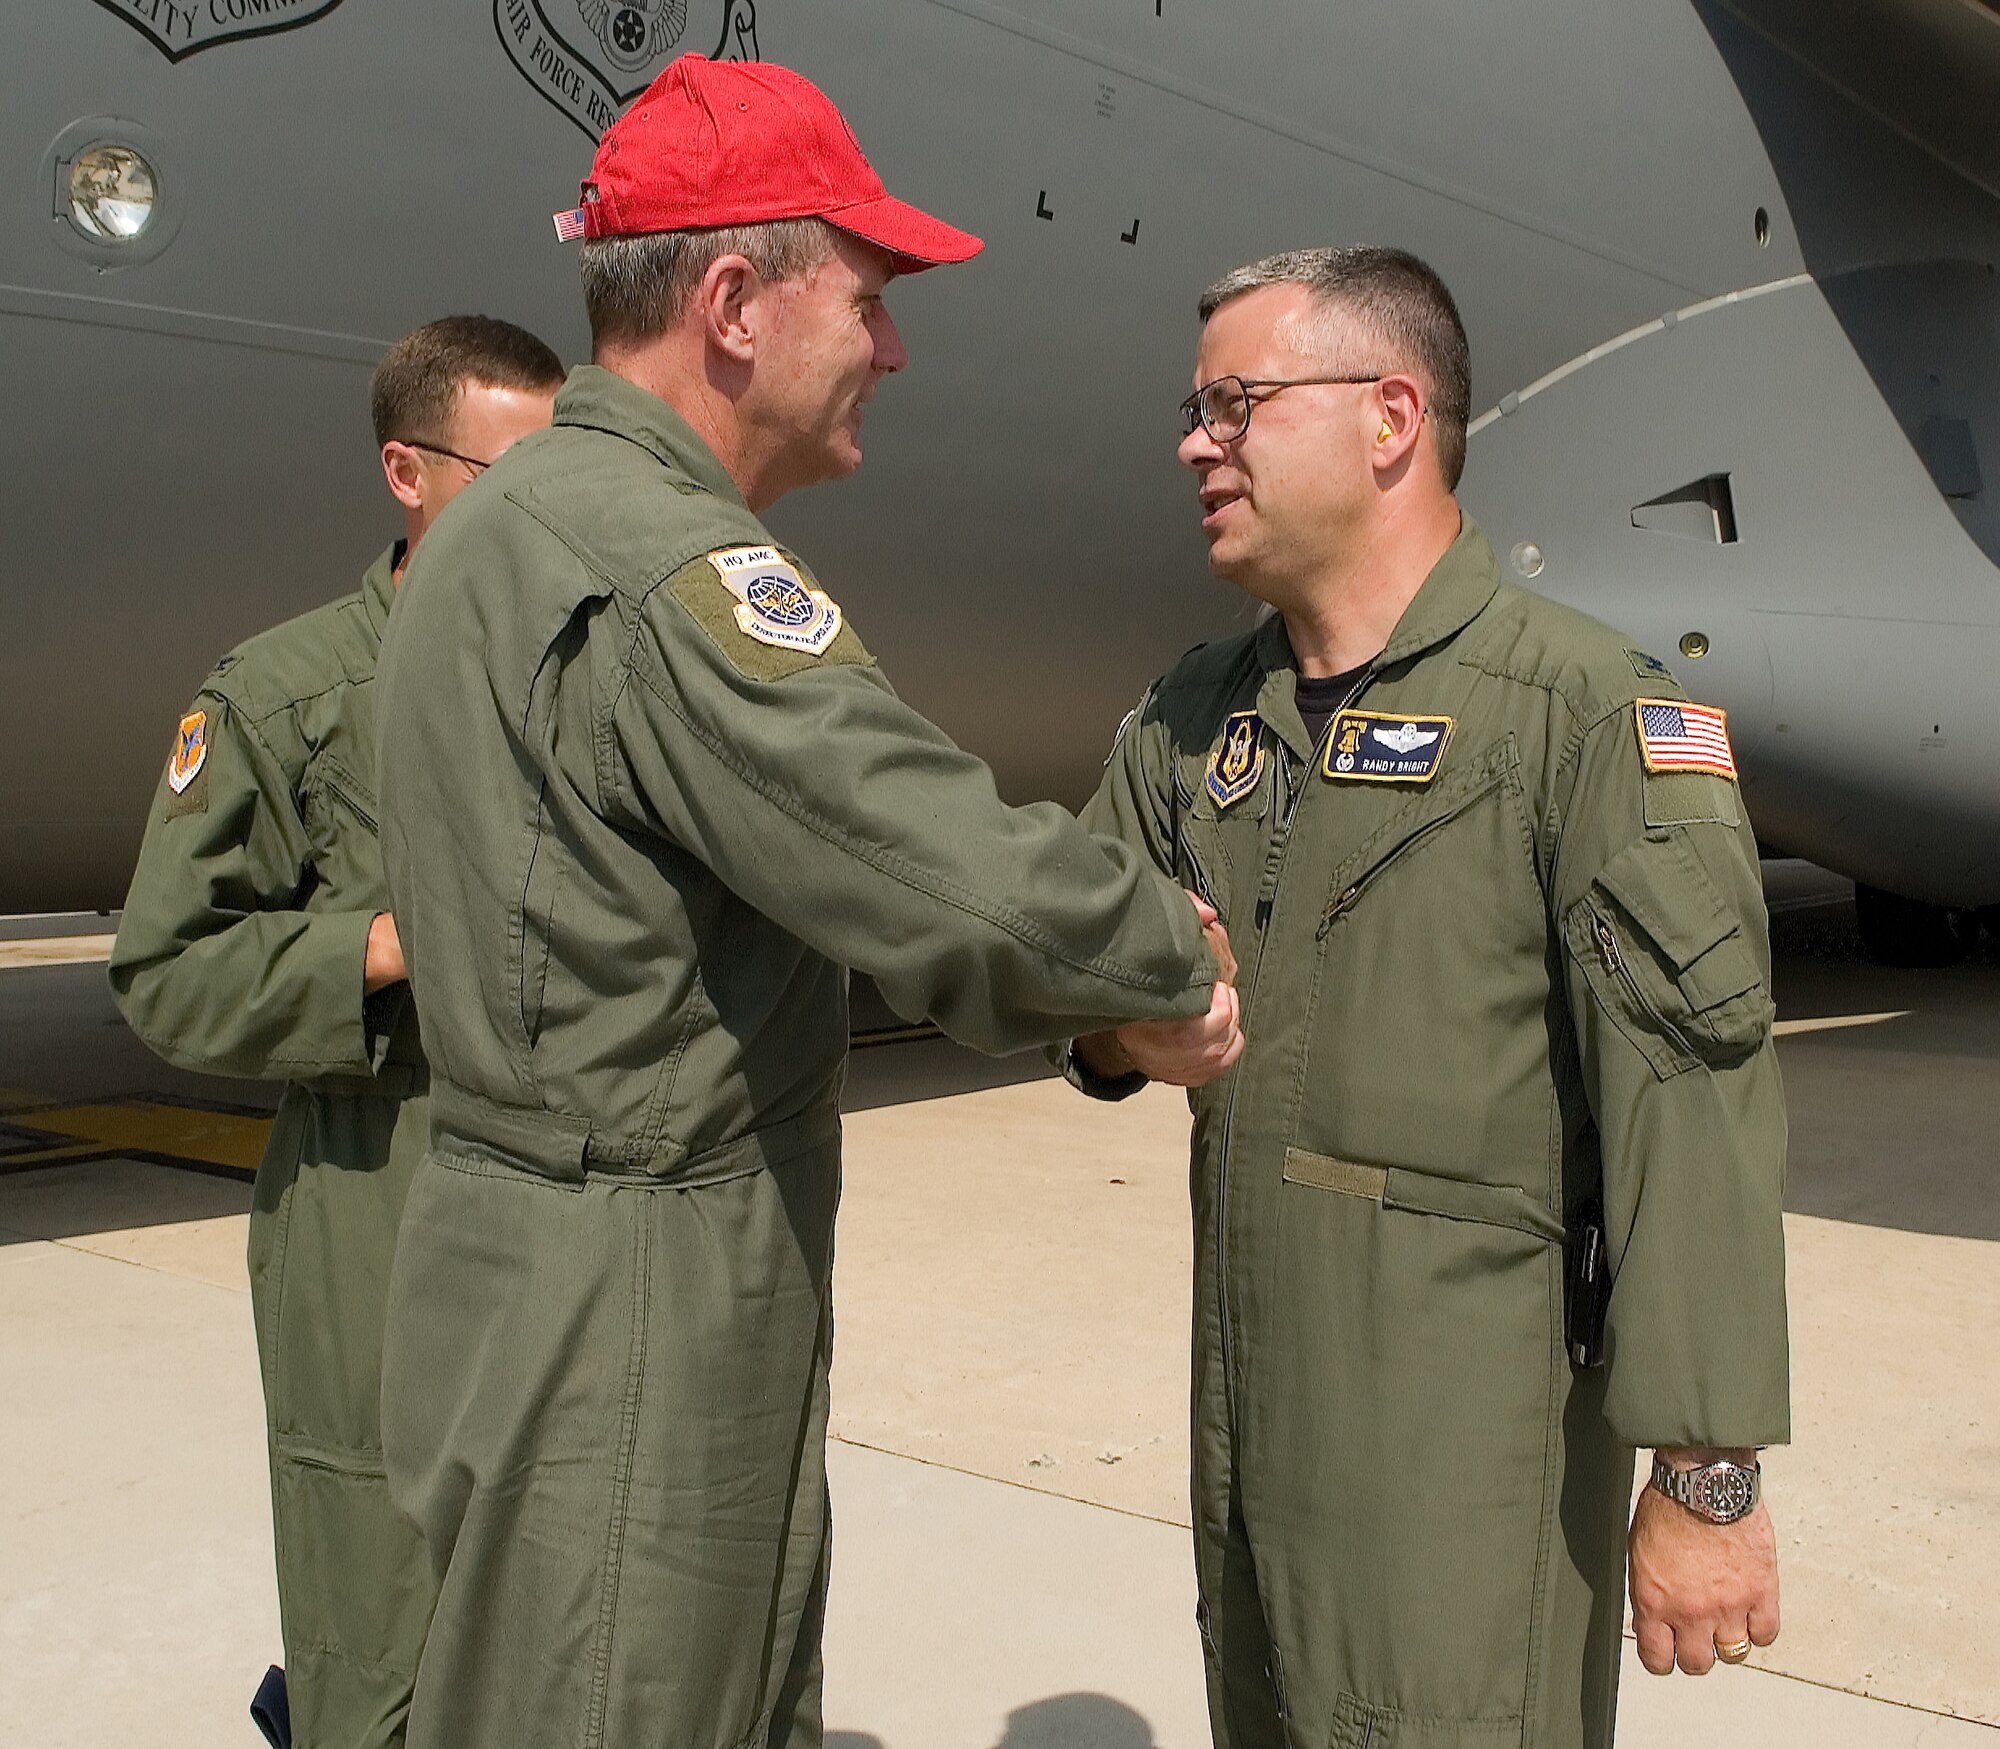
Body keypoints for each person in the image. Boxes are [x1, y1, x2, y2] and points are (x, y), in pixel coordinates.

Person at [371, 54, 1241, 1749]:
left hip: (513, 1254)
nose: (894, 346)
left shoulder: (498, 524)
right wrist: (1154, 951)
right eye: (869, 295)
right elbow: (913, 845)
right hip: (632, 1298)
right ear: (733, 301)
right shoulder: (660, 562)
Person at [1064, 247, 1789, 1749]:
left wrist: (1708, 1475)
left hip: (1465, 1481)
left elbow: (1695, 1097)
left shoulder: (1585, 716)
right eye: (1196, 408)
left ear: (1391, 416)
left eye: (1235, 402)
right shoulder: (1198, 717)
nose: (1195, 442)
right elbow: (1045, 939)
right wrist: (1104, 1027)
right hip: (1252, 1452)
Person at [109, 315, 564, 1749]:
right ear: (406, 472)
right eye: (511, 473)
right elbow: (165, 967)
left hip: (564, 1219)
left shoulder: (591, 679)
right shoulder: (287, 695)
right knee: (380, 1634)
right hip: (377, 1208)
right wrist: (373, 949)